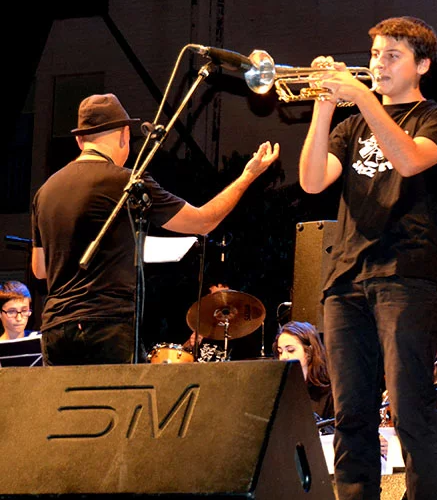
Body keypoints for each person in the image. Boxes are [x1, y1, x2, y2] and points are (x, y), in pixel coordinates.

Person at [298, 16, 437, 500]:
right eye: (373, 53)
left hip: (407, 277)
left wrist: (361, 97)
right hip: (346, 280)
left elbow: (408, 160)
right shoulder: (350, 127)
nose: (377, 63)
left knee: (411, 410)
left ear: (421, 65)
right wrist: (326, 107)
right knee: (351, 415)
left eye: (391, 55)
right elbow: (310, 181)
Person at [30, 93, 279, 366]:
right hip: (106, 326)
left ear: (80, 140)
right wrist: (248, 176)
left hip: (55, 327)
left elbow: (40, 269)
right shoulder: (126, 181)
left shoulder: (44, 191)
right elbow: (203, 221)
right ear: (125, 134)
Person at [275, 320, 334, 425]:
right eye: (280, 351)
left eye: (291, 350)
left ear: (308, 352)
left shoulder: (330, 393)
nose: (283, 357)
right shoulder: (278, 388)